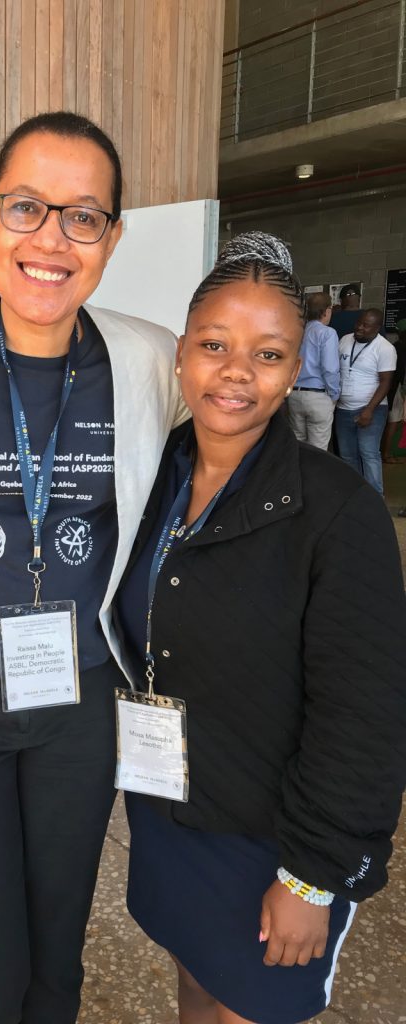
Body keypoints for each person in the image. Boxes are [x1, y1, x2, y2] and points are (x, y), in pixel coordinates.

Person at [0, 111, 186, 1024]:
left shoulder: (149, 359)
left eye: (82, 216)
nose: (50, 240)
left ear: (112, 237)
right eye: (26, 207)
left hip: (82, 704)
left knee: (57, 958)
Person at [115, 232, 406, 1024]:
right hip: (171, 810)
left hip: (274, 840)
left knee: (252, 1005)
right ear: (182, 353)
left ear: (295, 369)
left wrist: (313, 877)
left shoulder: (335, 511)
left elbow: (365, 716)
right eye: (215, 345)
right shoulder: (152, 475)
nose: (237, 371)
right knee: (197, 983)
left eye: (268, 354)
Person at [335, 307, 396, 494]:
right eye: (359, 323)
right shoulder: (345, 340)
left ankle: (375, 498)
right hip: (343, 409)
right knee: (347, 455)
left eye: (366, 325)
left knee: (369, 454)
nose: (360, 328)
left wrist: (369, 410)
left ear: (377, 328)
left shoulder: (385, 348)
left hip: (372, 409)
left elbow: (386, 382)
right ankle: (355, 496)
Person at [286, 291, 339, 449]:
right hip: (318, 396)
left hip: (295, 394)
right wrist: (334, 394)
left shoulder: (297, 332)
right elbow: (330, 368)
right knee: (318, 449)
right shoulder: (327, 333)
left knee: (298, 444)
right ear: (327, 311)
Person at [382, 317, 406, 463]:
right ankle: (386, 454)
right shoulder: (400, 349)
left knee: (395, 422)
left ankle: (384, 450)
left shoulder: (395, 347)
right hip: (395, 390)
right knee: (394, 422)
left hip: (392, 389)